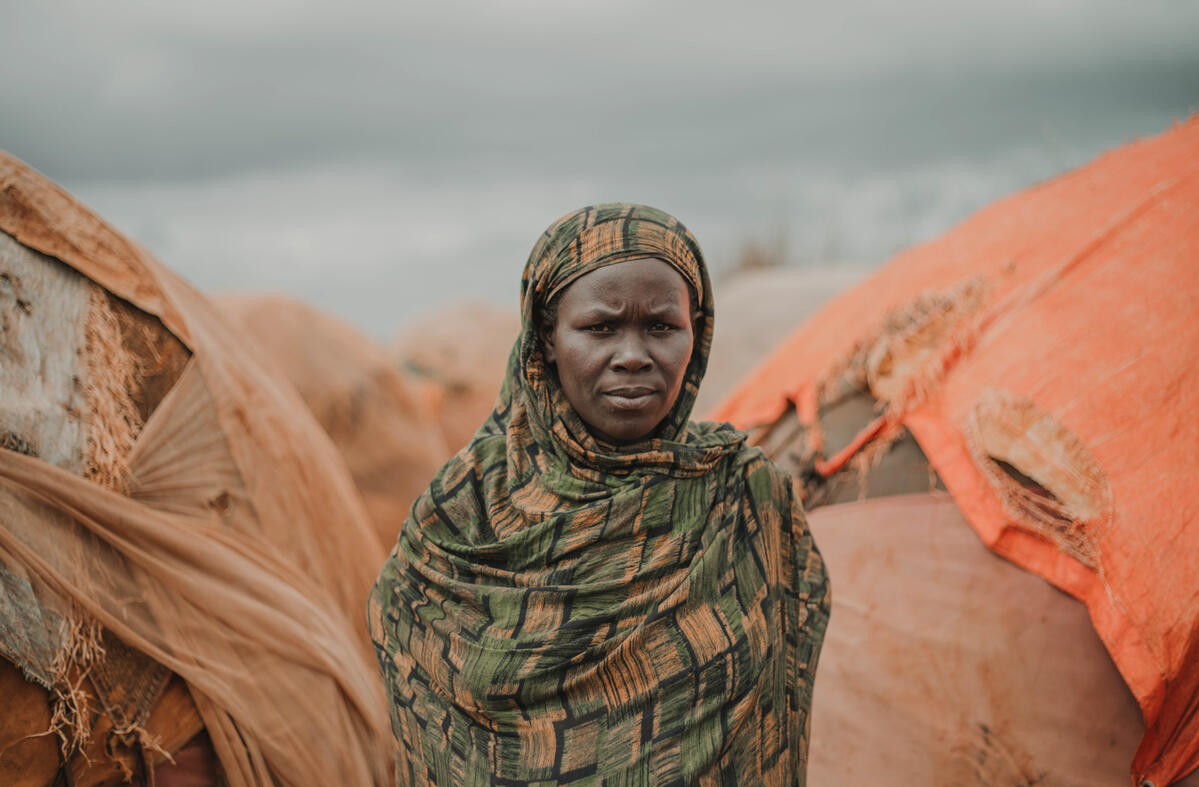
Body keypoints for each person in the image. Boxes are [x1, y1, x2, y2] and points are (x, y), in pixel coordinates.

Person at [369, 203, 830, 785]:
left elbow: (778, 687)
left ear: (698, 332)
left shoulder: (742, 492)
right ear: (548, 338)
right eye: (600, 328)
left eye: (662, 327)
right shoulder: (466, 511)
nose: (634, 356)